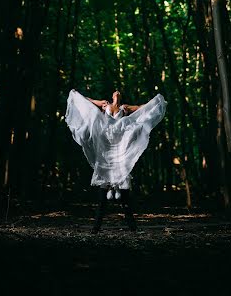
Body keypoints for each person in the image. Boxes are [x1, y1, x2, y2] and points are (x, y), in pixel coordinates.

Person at [65, 88, 167, 233]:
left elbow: (141, 108)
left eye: (119, 91)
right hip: (105, 149)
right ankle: (96, 228)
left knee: (124, 195)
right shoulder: (104, 105)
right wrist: (77, 94)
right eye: (115, 91)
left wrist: (155, 101)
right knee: (102, 195)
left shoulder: (124, 108)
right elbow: (86, 102)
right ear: (112, 95)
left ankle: (132, 228)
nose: (117, 92)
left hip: (120, 148)